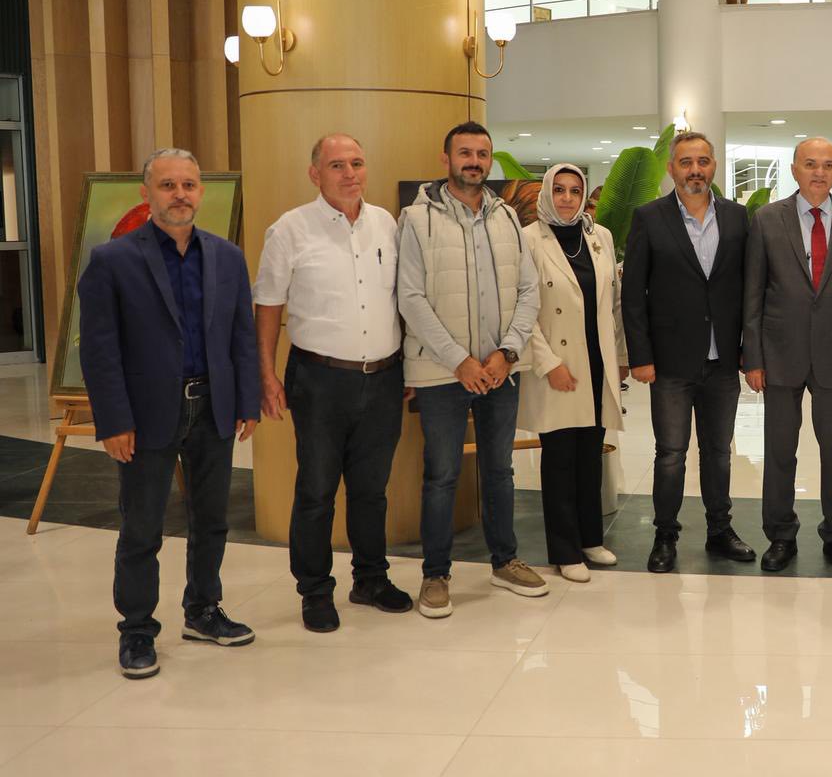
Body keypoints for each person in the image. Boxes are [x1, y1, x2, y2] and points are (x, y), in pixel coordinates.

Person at [78, 148, 260, 678]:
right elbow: (100, 350)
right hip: (145, 413)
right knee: (142, 527)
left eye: (188, 185)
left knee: (213, 520)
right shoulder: (112, 260)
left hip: (213, 407)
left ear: (200, 192)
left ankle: (202, 610)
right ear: (146, 193)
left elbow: (241, 335)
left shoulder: (226, 256)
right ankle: (137, 629)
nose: (180, 194)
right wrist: (113, 420)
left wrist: (246, 400)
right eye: (167, 185)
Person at [254, 134, 413, 632]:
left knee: (371, 490)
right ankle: (315, 590)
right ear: (315, 173)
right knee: (316, 490)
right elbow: (268, 305)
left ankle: (370, 579)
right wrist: (266, 373)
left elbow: (403, 300)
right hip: (319, 380)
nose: (350, 174)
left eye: (357, 163)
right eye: (337, 165)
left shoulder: (386, 224)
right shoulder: (290, 229)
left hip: (383, 378)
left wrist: (409, 365)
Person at [398, 121, 547, 618]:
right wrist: (458, 361)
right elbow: (410, 298)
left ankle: (505, 561)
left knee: (499, 470)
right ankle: (435, 574)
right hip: (442, 374)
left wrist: (507, 352)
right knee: (441, 475)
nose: (475, 162)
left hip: (500, 370)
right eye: (465, 153)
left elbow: (529, 291)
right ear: (446, 159)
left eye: (482, 154)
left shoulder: (507, 218)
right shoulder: (416, 219)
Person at [621, 131, 754, 573]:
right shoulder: (649, 218)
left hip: (723, 361)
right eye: (685, 162)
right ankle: (665, 535)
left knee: (718, 453)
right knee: (670, 454)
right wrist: (641, 356)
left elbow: (749, 289)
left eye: (702, 161)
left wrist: (748, 349)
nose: (695, 170)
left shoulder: (737, 217)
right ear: (671, 168)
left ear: (713, 165)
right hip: (670, 362)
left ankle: (720, 531)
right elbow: (633, 294)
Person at [743, 138, 832, 572]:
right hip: (780, 354)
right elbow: (753, 293)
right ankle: (781, 536)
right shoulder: (767, 219)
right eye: (811, 164)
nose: (820, 172)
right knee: (780, 450)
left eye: (828, 165)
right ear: (794, 170)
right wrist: (753, 358)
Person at [518, 163, 628, 583]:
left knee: (589, 454)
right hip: (558, 365)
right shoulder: (529, 240)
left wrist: (620, 355)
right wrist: (549, 364)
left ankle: (590, 539)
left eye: (575, 191)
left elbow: (614, 303)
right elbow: (522, 310)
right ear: (547, 193)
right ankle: (564, 550)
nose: (567, 198)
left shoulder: (600, 237)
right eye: (559, 190)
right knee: (560, 459)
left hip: (596, 362)